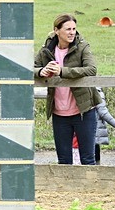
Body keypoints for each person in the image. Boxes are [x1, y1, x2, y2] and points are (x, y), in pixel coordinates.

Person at [34, 14, 98, 165]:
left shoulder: (82, 46)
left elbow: (91, 70)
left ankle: (89, 189)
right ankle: (66, 189)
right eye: (68, 29)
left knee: (88, 159)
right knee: (63, 161)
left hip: (84, 111)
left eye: (74, 29)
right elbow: (31, 67)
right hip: (59, 114)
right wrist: (41, 71)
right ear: (56, 30)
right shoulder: (46, 49)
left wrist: (62, 71)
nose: (72, 32)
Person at [93, 88, 115, 164]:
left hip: (91, 127)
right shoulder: (97, 91)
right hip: (95, 127)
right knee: (94, 151)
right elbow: (103, 112)